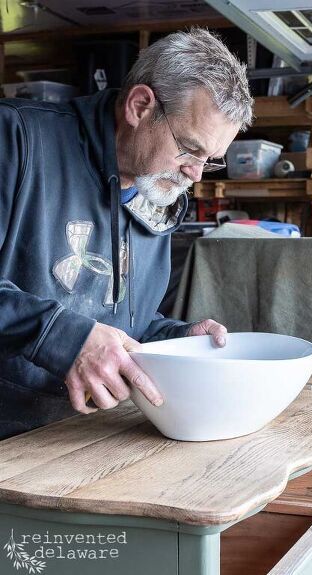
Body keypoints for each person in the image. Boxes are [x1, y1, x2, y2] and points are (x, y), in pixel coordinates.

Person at [0, 28, 253, 439]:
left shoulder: (158, 190)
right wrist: (66, 339)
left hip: (80, 437)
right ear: (140, 106)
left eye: (209, 161)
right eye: (189, 148)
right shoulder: (15, 139)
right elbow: (77, 330)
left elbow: (116, 321)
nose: (195, 174)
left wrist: (175, 340)